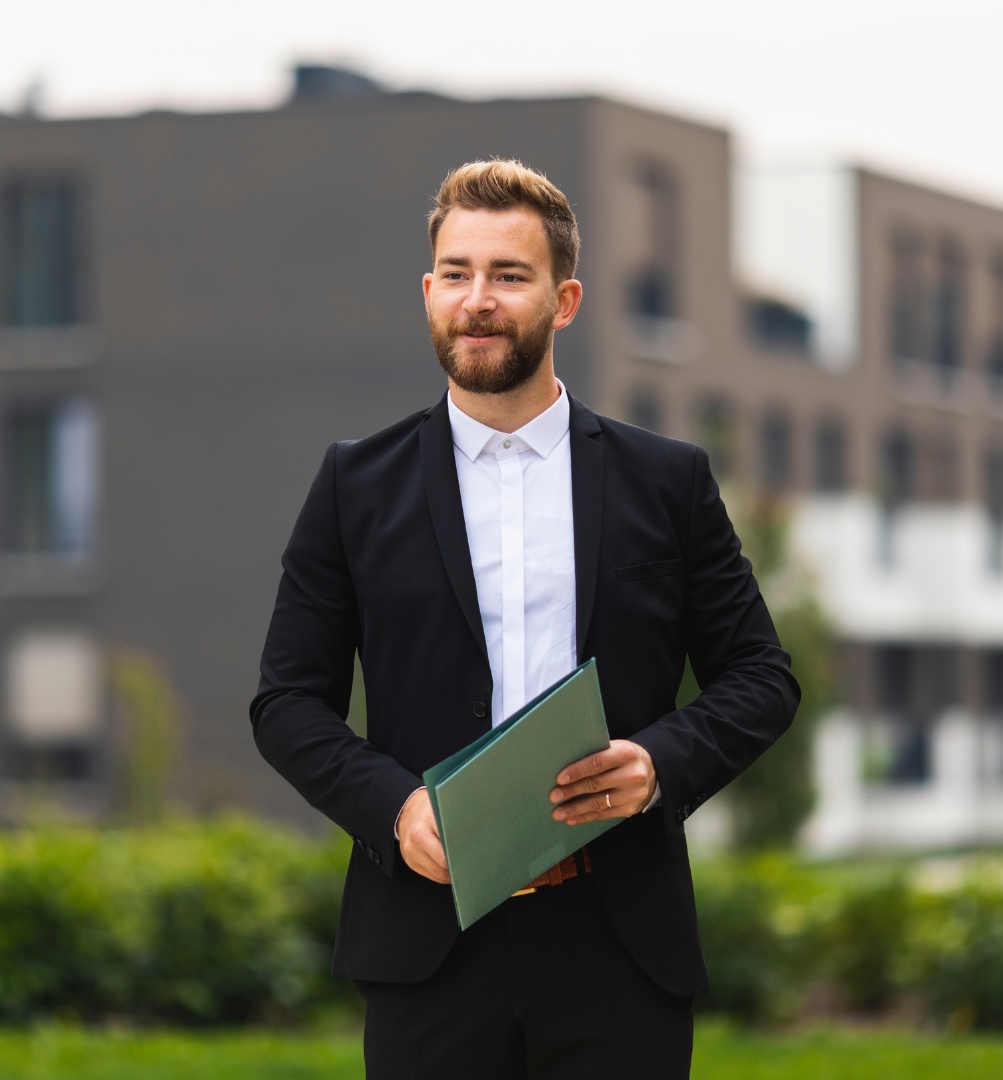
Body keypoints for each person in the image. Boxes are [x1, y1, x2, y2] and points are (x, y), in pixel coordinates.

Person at [250, 158, 800, 1078]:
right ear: (428, 293)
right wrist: (394, 810)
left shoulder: (667, 482)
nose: (479, 300)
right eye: (457, 274)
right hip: (430, 939)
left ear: (565, 298)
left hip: (619, 940)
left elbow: (762, 677)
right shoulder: (354, 484)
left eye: (509, 276)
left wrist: (661, 763)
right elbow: (285, 703)